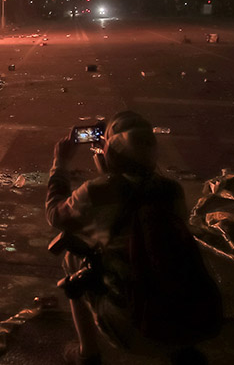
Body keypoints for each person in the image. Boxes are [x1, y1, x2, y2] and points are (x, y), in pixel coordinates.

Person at [46, 111, 212, 365]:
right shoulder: (171, 190)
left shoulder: (98, 192)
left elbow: (55, 215)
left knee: (72, 259)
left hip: (134, 327)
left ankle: (88, 353)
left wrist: (60, 163)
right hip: (190, 322)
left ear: (112, 153)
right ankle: (180, 352)